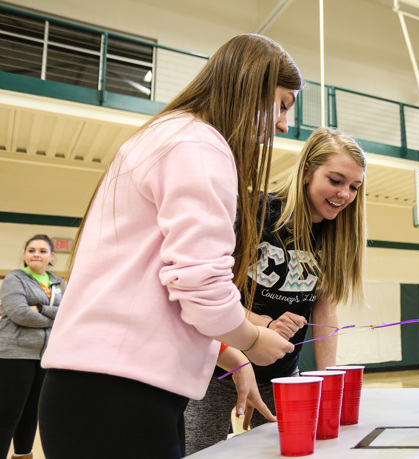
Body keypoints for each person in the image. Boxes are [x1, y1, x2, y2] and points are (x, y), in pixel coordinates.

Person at [37, 33, 303, 459]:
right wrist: (253, 339)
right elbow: (201, 287)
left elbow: (155, 291)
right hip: (118, 397)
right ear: (250, 85)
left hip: (104, 392)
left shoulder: (169, 136)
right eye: (282, 105)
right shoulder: (198, 144)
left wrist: (230, 354)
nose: (284, 124)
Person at [184, 126, 367, 454]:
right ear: (308, 171)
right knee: (198, 449)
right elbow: (211, 290)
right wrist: (261, 324)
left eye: (354, 187)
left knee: (294, 449)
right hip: (219, 367)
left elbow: (324, 310)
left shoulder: (333, 236)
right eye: (336, 181)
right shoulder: (255, 213)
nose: (345, 195)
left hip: (282, 374)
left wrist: (326, 379)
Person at [0, 235, 62, 459]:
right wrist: (55, 317)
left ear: (51, 256)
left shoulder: (56, 283)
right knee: (7, 414)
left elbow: (66, 313)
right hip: (14, 354)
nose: (36, 254)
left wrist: (41, 308)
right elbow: (19, 314)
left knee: (30, 414)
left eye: (42, 251)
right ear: (25, 254)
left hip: (44, 357)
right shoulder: (15, 279)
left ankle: (23, 455)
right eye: (32, 250)